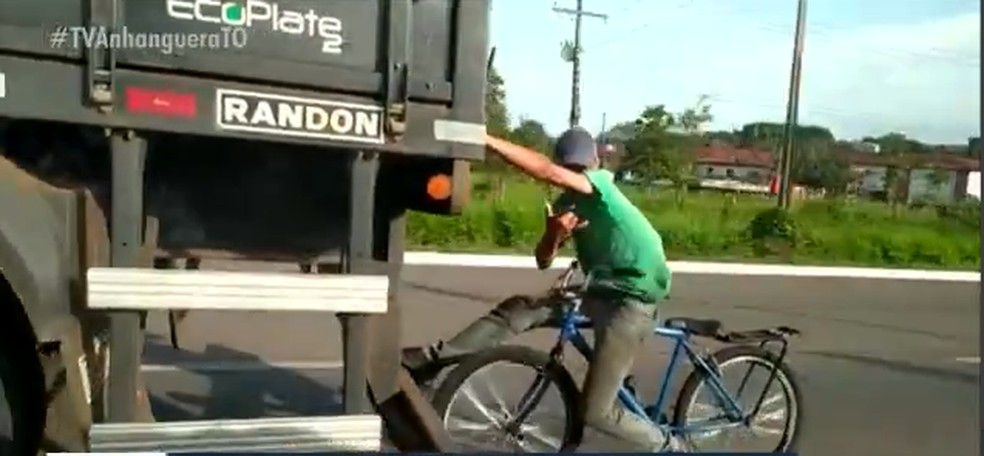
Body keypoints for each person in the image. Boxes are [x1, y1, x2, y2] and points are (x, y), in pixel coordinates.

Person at [402, 127, 673, 451]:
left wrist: (486, 140)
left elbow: (544, 170)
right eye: (570, 169)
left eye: (579, 169)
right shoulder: (568, 204)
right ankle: (432, 360)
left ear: (594, 164)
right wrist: (553, 234)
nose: (574, 176)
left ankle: (669, 445)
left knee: (596, 412)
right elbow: (543, 259)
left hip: (632, 299)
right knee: (521, 309)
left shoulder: (603, 186)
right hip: (600, 290)